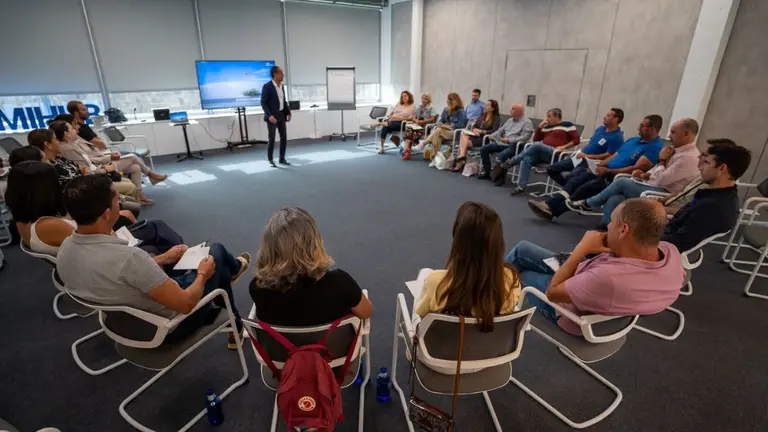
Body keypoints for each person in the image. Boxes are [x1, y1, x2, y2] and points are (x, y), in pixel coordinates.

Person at [57, 175, 251, 348]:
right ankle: (234, 270)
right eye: (119, 200)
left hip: (121, 322)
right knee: (214, 253)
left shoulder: (66, 247)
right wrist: (203, 275)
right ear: (107, 213)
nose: (122, 203)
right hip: (167, 326)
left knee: (217, 270)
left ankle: (236, 323)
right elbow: (185, 304)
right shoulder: (129, 259)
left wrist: (164, 258)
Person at [505, 198, 684, 336]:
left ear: (624, 230)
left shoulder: (609, 278)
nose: (608, 225)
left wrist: (581, 249)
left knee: (518, 274)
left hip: (569, 313)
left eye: (612, 222)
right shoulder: (670, 253)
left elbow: (553, 294)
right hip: (591, 287)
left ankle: (486, 296)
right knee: (522, 249)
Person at [413, 202, 520, 374]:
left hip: (437, 359)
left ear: (458, 239)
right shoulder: (510, 278)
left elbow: (421, 312)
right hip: (488, 358)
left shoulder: (438, 281)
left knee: (424, 278)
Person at [249, 207, 373, 326]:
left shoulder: (258, 288)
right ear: (314, 243)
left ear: (269, 249)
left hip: (279, 348)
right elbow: (366, 312)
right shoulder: (339, 283)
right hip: (333, 347)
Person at [528, 114, 664, 220]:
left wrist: (608, 170)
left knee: (583, 188)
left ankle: (552, 209)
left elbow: (634, 169)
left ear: (653, 129)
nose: (639, 128)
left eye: (643, 126)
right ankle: (550, 206)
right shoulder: (633, 140)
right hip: (604, 170)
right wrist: (599, 165)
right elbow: (614, 155)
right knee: (576, 179)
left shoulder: (654, 147)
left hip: (616, 177)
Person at [576, 118, 702, 228]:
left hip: (663, 194)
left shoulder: (688, 157)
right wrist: (644, 174)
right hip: (652, 185)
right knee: (615, 198)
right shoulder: (676, 150)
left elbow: (661, 180)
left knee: (621, 182)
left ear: (686, 134)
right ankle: (606, 230)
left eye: (673, 132)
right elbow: (656, 170)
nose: (669, 136)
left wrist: (662, 160)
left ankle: (589, 203)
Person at [3, 161, 136, 255]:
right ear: (45, 188)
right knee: (149, 227)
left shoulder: (23, 217)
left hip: (91, 255)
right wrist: (112, 218)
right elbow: (101, 243)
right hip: (101, 260)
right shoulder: (49, 225)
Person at [49, 119, 166, 205]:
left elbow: (89, 160)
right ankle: (151, 175)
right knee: (132, 157)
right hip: (98, 171)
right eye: (72, 128)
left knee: (135, 167)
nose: (75, 130)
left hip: (98, 166)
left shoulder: (72, 144)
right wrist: (106, 166)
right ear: (66, 133)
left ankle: (141, 196)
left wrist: (109, 158)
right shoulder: (68, 149)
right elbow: (87, 168)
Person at [662, 141, 751, 252]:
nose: (701, 168)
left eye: (707, 163)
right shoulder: (720, 197)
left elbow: (677, 243)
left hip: (661, 248)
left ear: (722, 168)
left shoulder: (711, 207)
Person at [26, 128, 143, 208]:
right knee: (130, 200)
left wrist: (84, 170)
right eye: (55, 140)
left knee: (131, 191)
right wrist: (102, 170)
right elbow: (75, 184)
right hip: (86, 195)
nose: (58, 142)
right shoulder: (50, 167)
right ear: (47, 144)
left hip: (90, 183)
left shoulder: (58, 159)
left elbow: (80, 167)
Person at [497, 108, 581, 194]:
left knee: (537, 145)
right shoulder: (546, 127)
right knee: (526, 159)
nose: (547, 119)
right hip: (541, 153)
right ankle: (521, 187)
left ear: (556, 116)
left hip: (555, 153)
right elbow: (536, 140)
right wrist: (539, 128)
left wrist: (564, 146)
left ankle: (512, 161)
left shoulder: (567, 125)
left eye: (549, 116)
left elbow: (576, 140)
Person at [547, 108, 625, 187]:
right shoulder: (601, 129)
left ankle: (569, 190)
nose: (604, 117)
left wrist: (587, 156)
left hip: (590, 162)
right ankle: (569, 189)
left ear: (616, 119)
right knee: (551, 169)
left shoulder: (617, 137)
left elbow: (609, 155)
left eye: (608, 116)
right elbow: (591, 144)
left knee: (572, 177)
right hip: (579, 157)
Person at [478, 103, 534, 179]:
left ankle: (501, 178)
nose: (511, 110)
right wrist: (492, 136)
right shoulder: (509, 120)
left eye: (513, 109)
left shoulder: (527, 122)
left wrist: (510, 140)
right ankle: (487, 172)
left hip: (516, 146)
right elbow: (500, 131)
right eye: (512, 109)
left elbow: (525, 137)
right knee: (484, 149)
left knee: (503, 155)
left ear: (520, 111)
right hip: (503, 143)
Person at [452, 99, 501, 172]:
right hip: (475, 136)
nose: (484, 106)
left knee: (463, 142)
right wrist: (474, 129)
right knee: (464, 134)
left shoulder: (496, 118)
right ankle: (462, 157)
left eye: (487, 105)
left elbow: (494, 131)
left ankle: (460, 161)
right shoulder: (482, 116)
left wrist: (482, 131)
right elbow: (475, 125)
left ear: (492, 108)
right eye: (485, 104)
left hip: (485, 139)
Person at [261, 66, 292, 167]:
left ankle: (282, 158)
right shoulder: (267, 86)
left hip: (281, 115)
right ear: (275, 74)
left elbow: (284, 101)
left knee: (284, 137)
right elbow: (263, 103)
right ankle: (270, 160)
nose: (283, 75)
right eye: (281, 73)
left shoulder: (282, 86)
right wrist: (269, 115)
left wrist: (288, 112)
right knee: (272, 138)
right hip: (272, 117)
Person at [425, 93, 467, 160]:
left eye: (447, 100)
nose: (446, 101)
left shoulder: (460, 112)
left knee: (438, 131)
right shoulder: (446, 110)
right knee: (438, 134)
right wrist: (441, 124)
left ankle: (425, 143)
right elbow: (441, 120)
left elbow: (461, 125)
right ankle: (434, 158)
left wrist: (448, 126)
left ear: (452, 101)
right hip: (444, 131)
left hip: (455, 133)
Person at [401, 93, 438, 160]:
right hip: (417, 126)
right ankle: (407, 150)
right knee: (409, 129)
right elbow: (414, 117)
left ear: (428, 100)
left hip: (426, 127)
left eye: (425, 98)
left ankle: (406, 151)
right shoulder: (419, 106)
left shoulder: (432, 107)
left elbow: (432, 119)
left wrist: (422, 122)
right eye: (422, 98)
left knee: (410, 132)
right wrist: (416, 120)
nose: (423, 100)